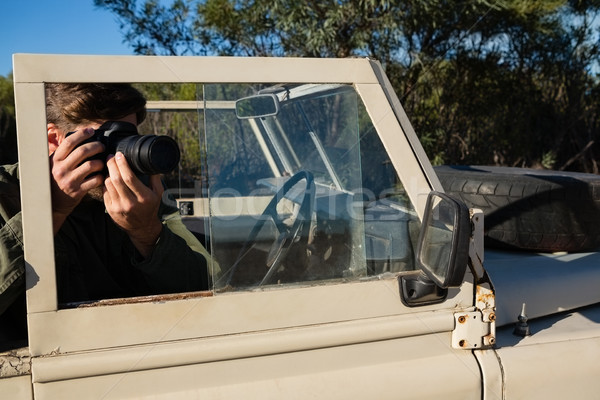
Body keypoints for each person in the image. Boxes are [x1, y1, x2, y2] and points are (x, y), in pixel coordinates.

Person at [0, 83, 213, 343]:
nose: (119, 155)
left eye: (128, 137)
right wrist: (49, 212)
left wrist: (148, 233)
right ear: (54, 139)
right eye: (108, 139)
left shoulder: (142, 195)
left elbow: (206, 290)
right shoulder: (5, 194)